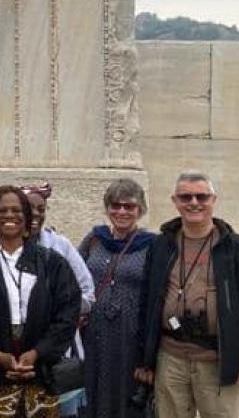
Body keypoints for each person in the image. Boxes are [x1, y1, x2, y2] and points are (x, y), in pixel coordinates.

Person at [136, 172, 239, 418]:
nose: (194, 202)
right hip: (171, 359)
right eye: (186, 196)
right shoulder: (161, 246)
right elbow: (147, 302)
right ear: (175, 201)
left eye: (202, 196)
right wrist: (145, 359)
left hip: (218, 362)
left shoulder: (237, 248)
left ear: (214, 200)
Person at [0, 186, 81, 418]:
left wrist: (37, 353)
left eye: (16, 210)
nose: (9, 215)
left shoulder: (52, 263)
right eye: (2, 210)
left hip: (41, 372)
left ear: (26, 217)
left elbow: (68, 313)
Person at [78, 178, 156, 418]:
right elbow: (74, 279)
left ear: (140, 209)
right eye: (116, 205)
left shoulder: (153, 245)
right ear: (107, 208)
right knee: (92, 388)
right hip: (93, 333)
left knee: (127, 393)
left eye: (129, 206)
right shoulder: (94, 240)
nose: (121, 211)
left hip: (131, 335)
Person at [19, 183, 97, 417]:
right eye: (29, 208)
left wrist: (52, 312)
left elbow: (87, 294)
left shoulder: (60, 246)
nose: (36, 214)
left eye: (41, 209)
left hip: (59, 353)